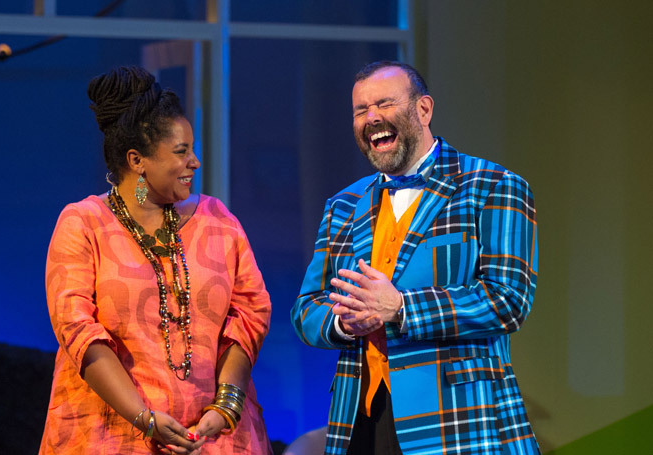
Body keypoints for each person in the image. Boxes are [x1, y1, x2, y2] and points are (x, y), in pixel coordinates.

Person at [291, 61, 540, 455]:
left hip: (458, 420)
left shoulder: (493, 186)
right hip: (361, 417)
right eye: (361, 110)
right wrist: (343, 321)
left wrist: (401, 307)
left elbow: (508, 300)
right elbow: (306, 310)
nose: (372, 118)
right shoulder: (343, 204)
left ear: (423, 110)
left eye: (384, 104)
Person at [40, 66, 272, 454]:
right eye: (181, 152)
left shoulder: (219, 221)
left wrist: (226, 407)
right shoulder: (83, 224)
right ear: (137, 160)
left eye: (192, 150)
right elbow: (76, 329)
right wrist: (143, 419)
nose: (194, 162)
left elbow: (250, 314)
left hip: (213, 437)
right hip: (110, 435)